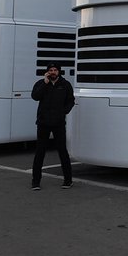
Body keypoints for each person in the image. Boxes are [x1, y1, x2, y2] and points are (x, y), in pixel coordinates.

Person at [31, 62, 74, 190]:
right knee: (40, 152)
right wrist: (45, 83)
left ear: (59, 71)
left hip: (58, 123)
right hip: (43, 123)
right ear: (47, 72)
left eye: (55, 70)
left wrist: (64, 112)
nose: (53, 72)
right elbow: (35, 96)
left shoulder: (65, 85)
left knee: (62, 152)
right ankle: (36, 181)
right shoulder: (41, 83)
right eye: (51, 70)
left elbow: (71, 100)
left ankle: (68, 180)